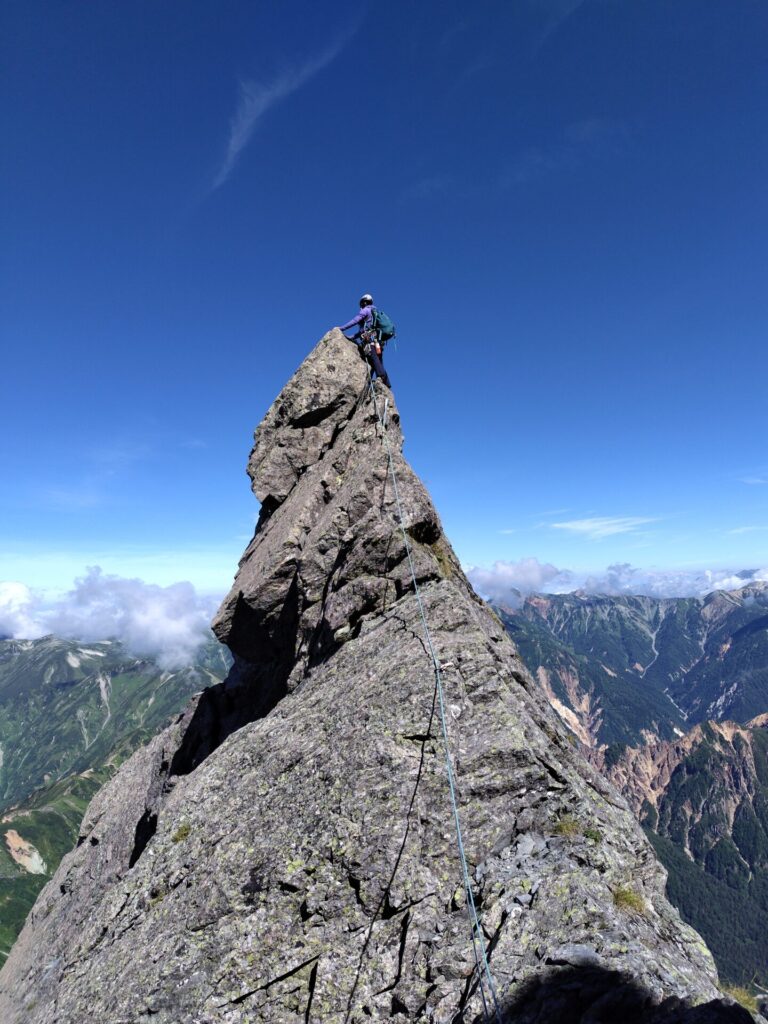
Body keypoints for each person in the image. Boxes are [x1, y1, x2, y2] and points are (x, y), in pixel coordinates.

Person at [337, 294, 392, 389]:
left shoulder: (366, 310)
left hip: (371, 341)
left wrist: (342, 328)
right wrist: (352, 337)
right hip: (378, 341)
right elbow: (362, 332)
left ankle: (381, 377)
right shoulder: (374, 312)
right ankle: (386, 384)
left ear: (364, 302)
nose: (361, 306)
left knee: (374, 359)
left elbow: (355, 320)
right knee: (378, 361)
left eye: (362, 303)